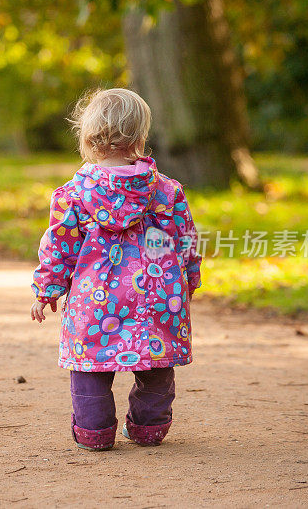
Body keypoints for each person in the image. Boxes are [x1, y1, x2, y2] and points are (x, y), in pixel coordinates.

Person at [30, 87, 201, 450]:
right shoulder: (166, 192)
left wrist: (47, 290)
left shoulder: (74, 194)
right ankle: (149, 427)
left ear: (88, 136)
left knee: (90, 366)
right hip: (155, 297)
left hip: (96, 299)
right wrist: (189, 277)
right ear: (140, 137)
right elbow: (185, 237)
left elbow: (60, 247)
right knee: (155, 365)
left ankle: (95, 432)